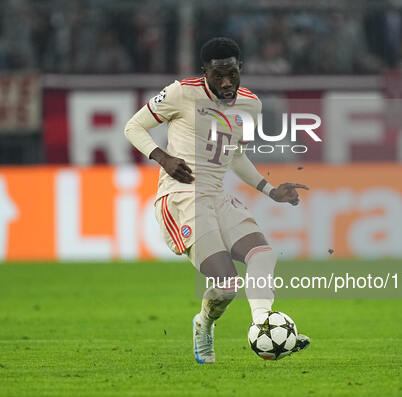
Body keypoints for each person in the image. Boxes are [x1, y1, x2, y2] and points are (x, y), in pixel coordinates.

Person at [124, 37, 310, 364]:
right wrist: (163, 157)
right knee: (226, 286)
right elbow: (133, 126)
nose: (225, 82)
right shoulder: (182, 93)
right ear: (204, 72)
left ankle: (264, 327)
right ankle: (203, 324)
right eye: (217, 75)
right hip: (181, 197)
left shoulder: (250, 105)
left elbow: (236, 155)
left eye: (231, 74)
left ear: (242, 69)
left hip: (217, 196)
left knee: (263, 255)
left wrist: (270, 190)